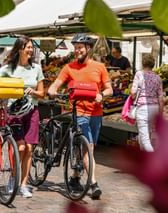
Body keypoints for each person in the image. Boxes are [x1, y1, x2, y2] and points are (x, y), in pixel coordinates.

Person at [0, 36, 45, 198]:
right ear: (19, 49)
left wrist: (33, 92)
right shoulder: (9, 68)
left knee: (29, 148)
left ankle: (24, 184)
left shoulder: (36, 68)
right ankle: (13, 177)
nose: (30, 50)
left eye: (31, 47)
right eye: (27, 47)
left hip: (31, 110)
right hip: (13, 111)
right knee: (20, 147)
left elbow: (42, 93)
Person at [48, 33, 113, 200]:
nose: (77, 51)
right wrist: (52, 90)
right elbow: (56, 84)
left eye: (80, 48)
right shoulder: (69, 67)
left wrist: (102, 95)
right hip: (80, 112)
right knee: (88, 147)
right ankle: (93, 184)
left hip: (96, 113)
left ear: (88, 49)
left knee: (87, 147)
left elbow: (109, 89)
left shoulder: (100, 67)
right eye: (75, 48)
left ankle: (75, 176)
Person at [131, 54, 163, 152]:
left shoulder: (139, 74)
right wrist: (160, 112)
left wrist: (133, 96)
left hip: (143, 108)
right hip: (155, 108)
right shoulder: (158, 78)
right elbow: (161, 97)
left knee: (145, 139)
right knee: (145, 134)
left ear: (143, 63)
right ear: (153, 64)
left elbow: (133, 92)